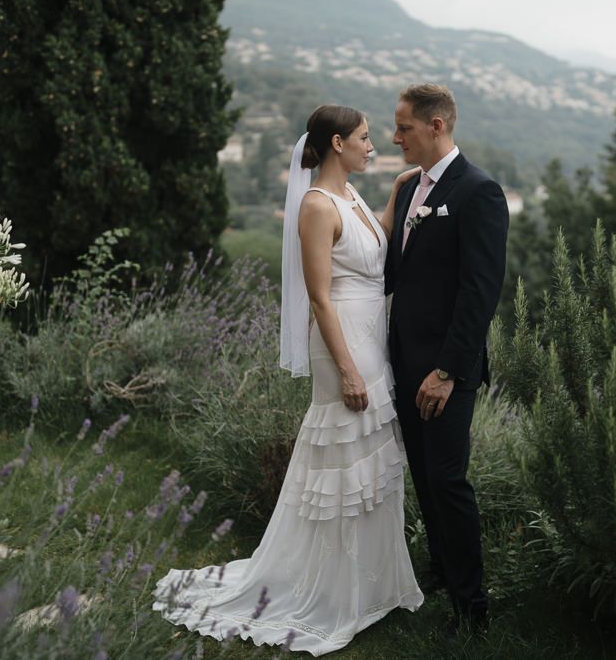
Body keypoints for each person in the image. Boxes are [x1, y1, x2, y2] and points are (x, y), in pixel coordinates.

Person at [153, 105, 423, 655]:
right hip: (342, 340)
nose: (373, 146)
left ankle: (372, 585)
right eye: (365, 139)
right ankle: (331, 591)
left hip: (373, 334)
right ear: (336, 143)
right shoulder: (317, 206)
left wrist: (396, 192)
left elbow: (374, 246)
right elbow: (320, 295)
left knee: (372, 454)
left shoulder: (352, 197)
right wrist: (346, 366)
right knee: (345, 459)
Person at [384, 84, 509, 633]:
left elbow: (479, 292)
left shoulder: (479, 191)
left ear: (437, 126)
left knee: (449, 480)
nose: (396, 137)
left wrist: (447, 372)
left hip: (445, 369)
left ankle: (472, 607)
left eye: (404, 126)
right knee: (424, 477)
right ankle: (440, 572)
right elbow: (397, 274)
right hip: (403, 359)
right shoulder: (411, 187)